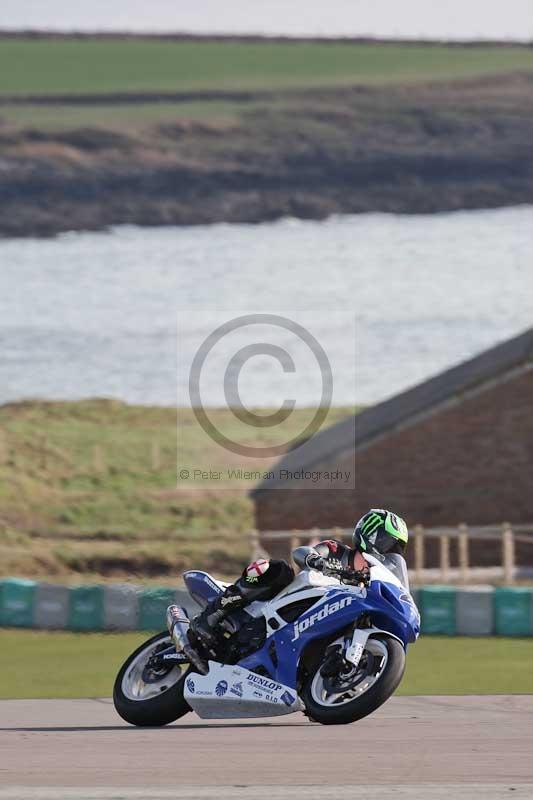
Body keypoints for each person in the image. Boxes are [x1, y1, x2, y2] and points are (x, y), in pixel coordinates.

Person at [185, 508, 409, 663]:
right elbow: (305, 553)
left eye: (396, 548)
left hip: (308, 630)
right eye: (387, 542)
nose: (390, 551)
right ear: (371, 535)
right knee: (278, 570)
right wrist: (315, 559)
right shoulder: (336, 551)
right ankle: (212, 615)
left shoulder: (372, 581)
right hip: (278, 607)